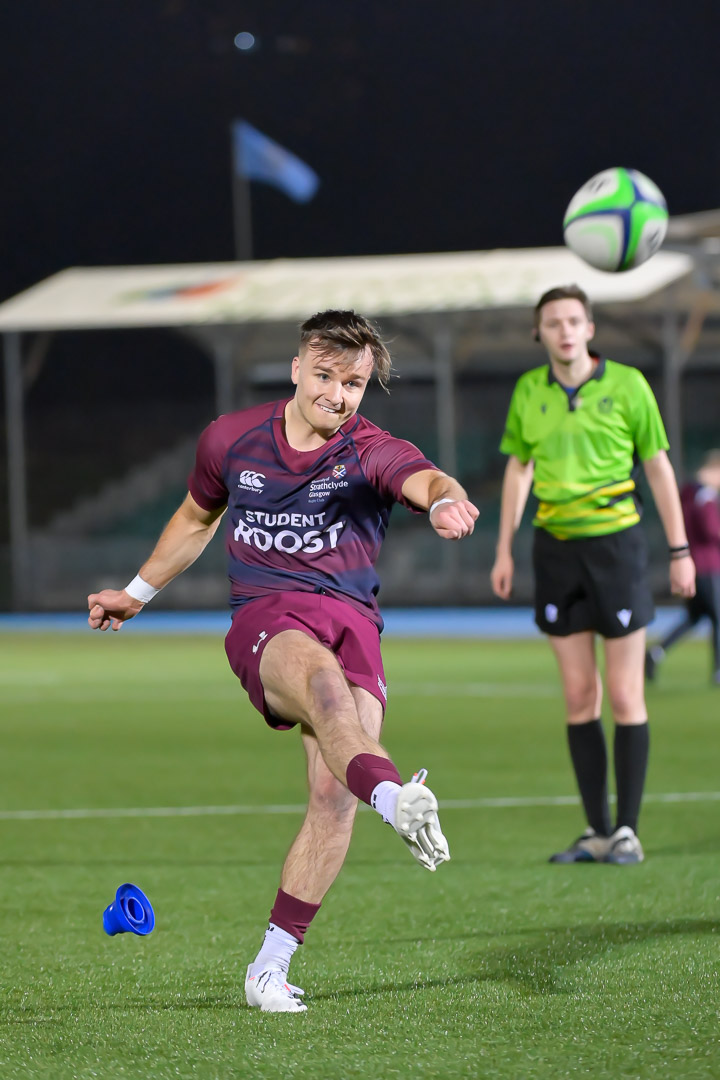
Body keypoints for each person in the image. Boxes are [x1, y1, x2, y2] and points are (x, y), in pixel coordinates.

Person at [87, 309, 479, 1013]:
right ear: (297, 370)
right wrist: (138, 592)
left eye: (354, 383)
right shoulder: (231, 440)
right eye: (326, 376)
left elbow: (423, 477)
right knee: (325, 694)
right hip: (270, 619)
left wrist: (447, 500)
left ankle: (269, 968)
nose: (338, 394)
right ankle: (398, 800)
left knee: (334, 795)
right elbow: (195, 518)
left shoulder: (368, 449)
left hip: (354, 626)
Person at [490, 285, 695, 866]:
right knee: (580, 695)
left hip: (617, 549)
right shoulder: (530, 390)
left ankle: (627, 831)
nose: (564, 330)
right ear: (540, 333)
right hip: (554, 550)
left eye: (574, 320)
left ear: (590, 328)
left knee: (626, 694)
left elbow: (658, 467)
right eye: (552, 322)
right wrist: (503, 548)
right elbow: (519, 468)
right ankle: (596, 831)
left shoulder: (628, 385)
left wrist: (680, 550)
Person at [646, 450, 720, 685]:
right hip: (708, 565)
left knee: (695, 617)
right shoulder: (704, 496)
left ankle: (656, 652)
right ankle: (718, 671)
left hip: (689, 563)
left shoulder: (686, 492)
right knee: (717, 618)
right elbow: (711, 530)